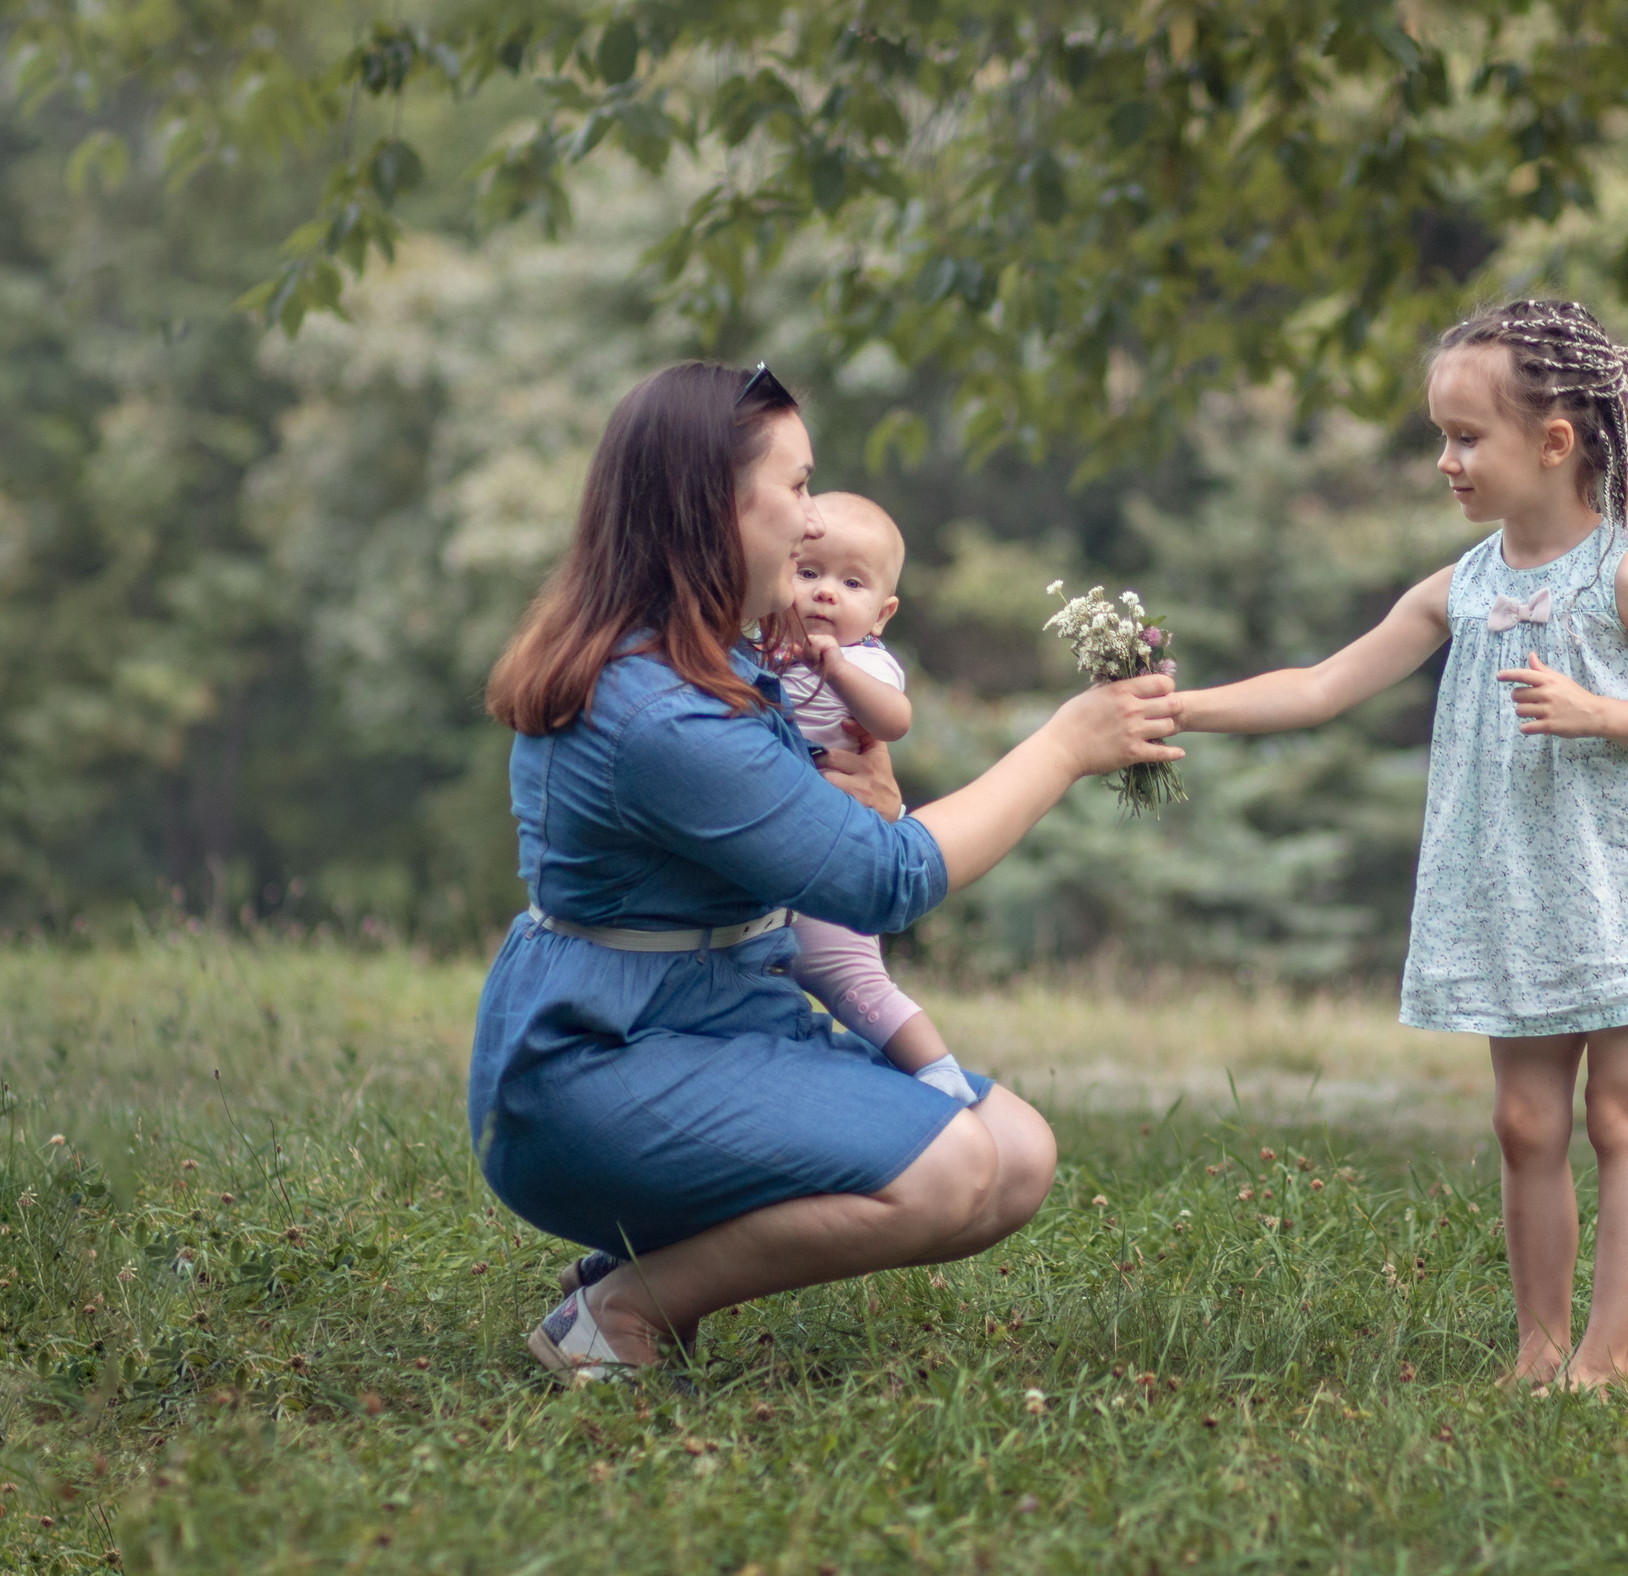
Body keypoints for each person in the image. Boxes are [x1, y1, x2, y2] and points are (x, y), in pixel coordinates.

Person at [472, 361, 1181, 1384]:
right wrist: (1066, 746)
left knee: (1015, 1154)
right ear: (717, 500)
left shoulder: (718, 654)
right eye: (797, 486)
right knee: (947, 1172)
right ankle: (619, 1312)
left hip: (713, 1016)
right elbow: (882, 881)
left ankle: (649, 1268)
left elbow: (835, 816)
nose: (813, 523)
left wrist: (871, 797)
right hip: (593, 1064)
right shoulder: (661, 710)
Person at [1172, 299, 1628, 1392]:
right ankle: (1537, 1348)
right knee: (1523, 1118)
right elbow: (1318, 686)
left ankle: (1605, 1360)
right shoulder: (1464, 585)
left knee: (1619, 1115)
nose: (1444, 461)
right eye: (1438, 437)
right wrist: (1175, 709)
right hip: (1517, 886)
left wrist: (1601, 713)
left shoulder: (1627, 577)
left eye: (1463, 437)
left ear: (1553, 443)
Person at [771, 492, 975, 1102]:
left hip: (838, 856)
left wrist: (836, 670)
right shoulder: (760, 645)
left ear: (882, 613)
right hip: (770, 857)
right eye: (808, 573)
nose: (825, 592)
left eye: (850, 582)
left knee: (848, 975)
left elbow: (893, 721)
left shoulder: (867, 662)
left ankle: (937, 1071)